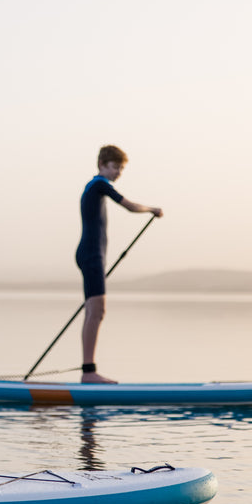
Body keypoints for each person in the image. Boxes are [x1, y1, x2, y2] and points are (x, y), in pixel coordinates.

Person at [75, 145, 163, 384]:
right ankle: (89, 372)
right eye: (115, 167)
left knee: (94, 312)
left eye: (121, 169)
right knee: (97, 311)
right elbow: (130, 206)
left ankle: (88, 371)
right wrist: (152, 209)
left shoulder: (93, 187)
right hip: (92, 256)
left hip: (92, 255)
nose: (118, 173)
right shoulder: (99, 184)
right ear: (102, 164)